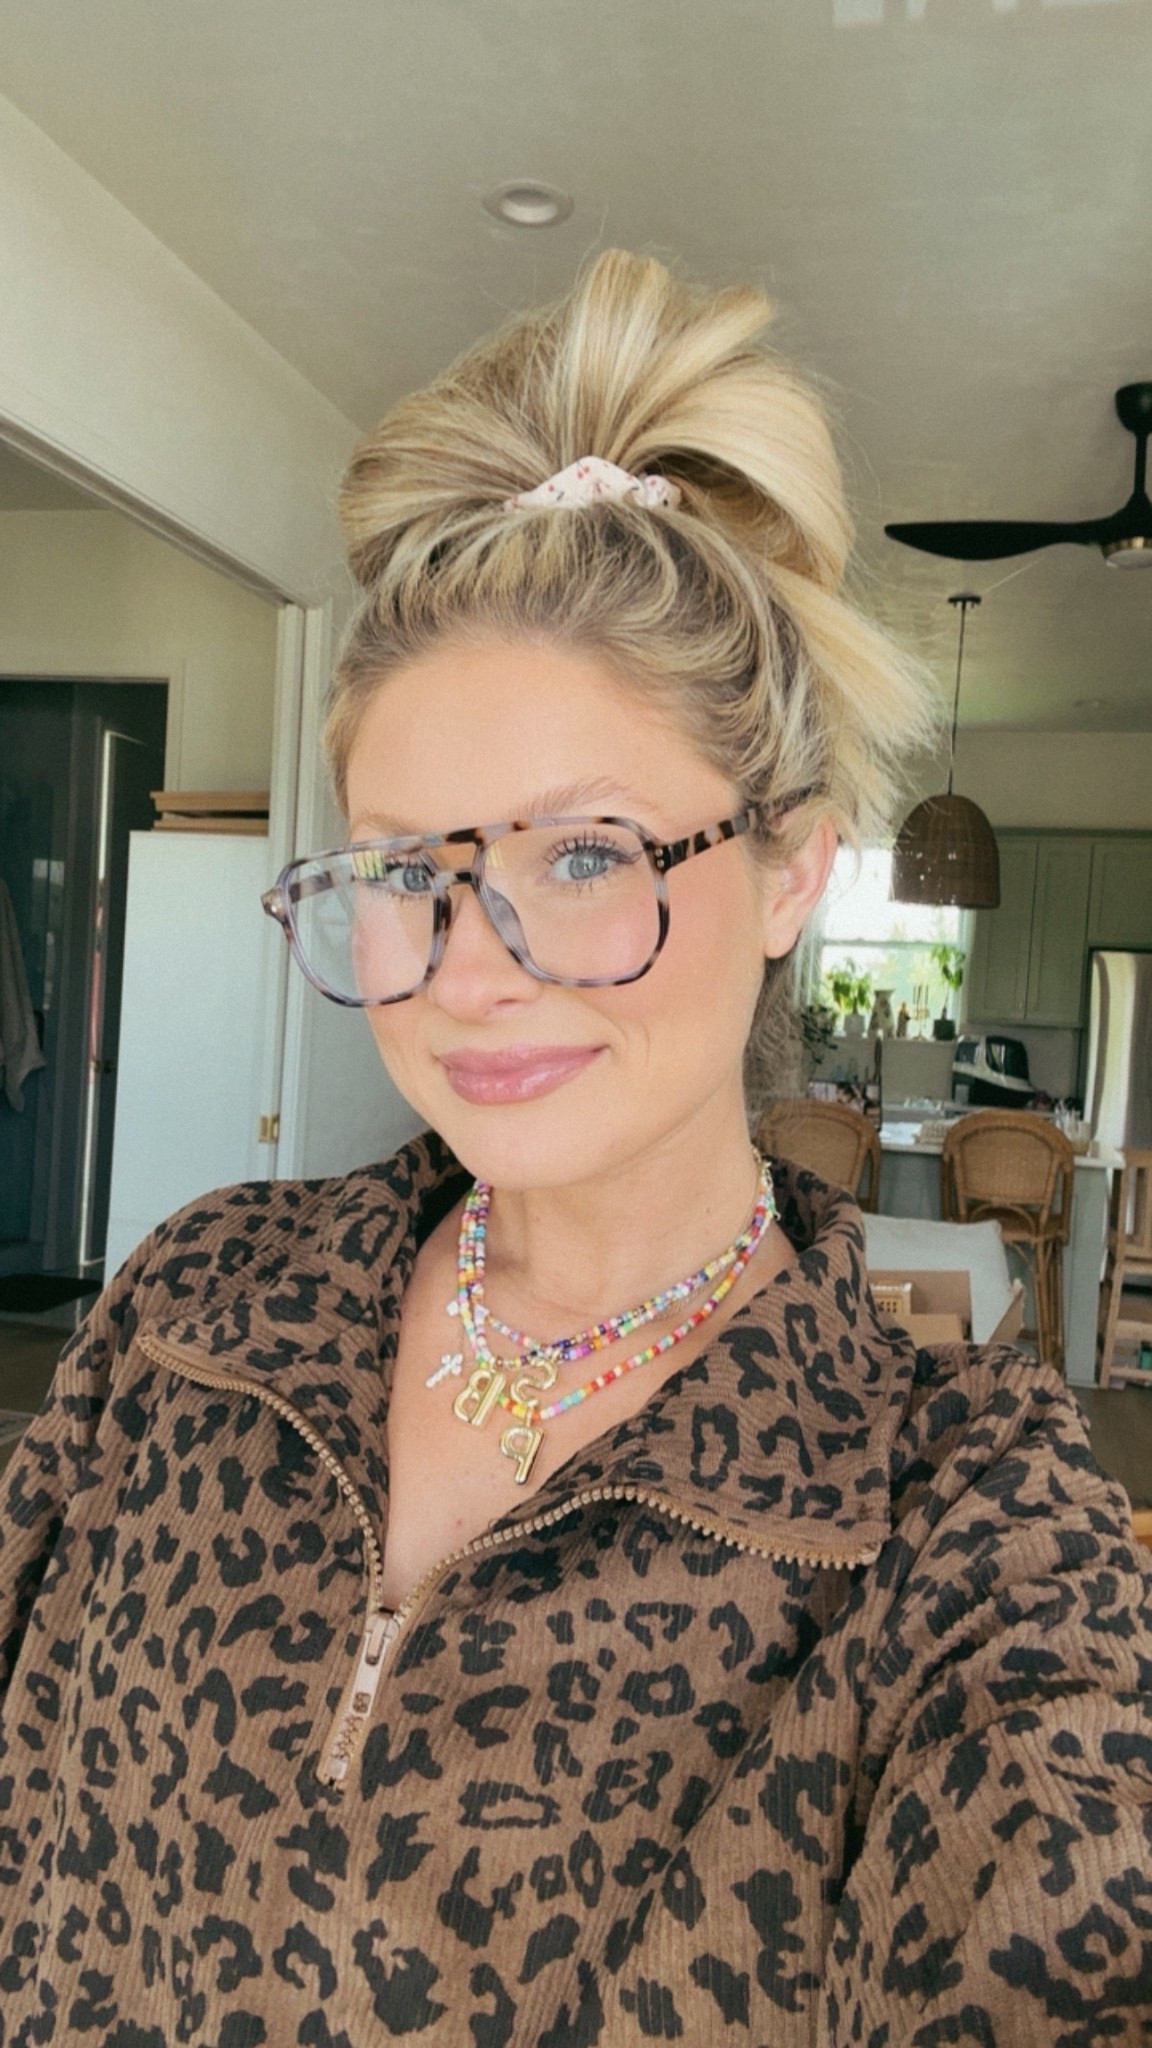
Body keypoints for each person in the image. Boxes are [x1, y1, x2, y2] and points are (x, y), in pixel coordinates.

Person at [1, 251, 1149, 2048]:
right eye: (408, 870)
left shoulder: (953, 1514)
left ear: (789, 868)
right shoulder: (197, 1306)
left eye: (589, 855)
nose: (469, 972)